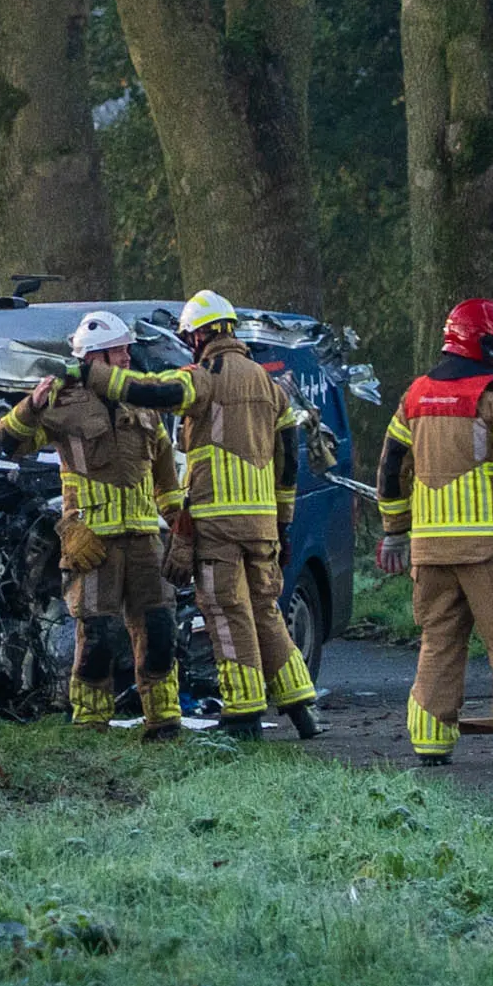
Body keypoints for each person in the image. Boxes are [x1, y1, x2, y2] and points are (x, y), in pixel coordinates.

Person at [77, 289, 322, 741]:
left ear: (203, 335)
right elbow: (289, 460)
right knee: (266, 610)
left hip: (218, 524)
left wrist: (93, 375)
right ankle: (301, 704)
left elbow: (158, 392)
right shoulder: (272, 385)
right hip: (264, 524)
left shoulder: (205, 375)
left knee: (227, 612)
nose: (189, 344)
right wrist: (283, 524)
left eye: (191, 336)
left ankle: (244, 713)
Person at [375, 299, 493, 766]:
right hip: (489, 547)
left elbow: (391, 467)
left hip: (430, 550)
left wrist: (395, 529)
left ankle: (431, 742)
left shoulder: (414, 394)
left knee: (439, 642)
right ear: (485, 342)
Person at [0, 310, 185, 740]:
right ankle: (91, 722)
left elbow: (164, 467)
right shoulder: (62, 401)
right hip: (92, 541)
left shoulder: (141, 398)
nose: (128, 357)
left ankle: (165, 720)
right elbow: (8, 441)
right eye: (120, 351)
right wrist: (33, 403)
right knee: (98, 636)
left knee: (158, 630)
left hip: (143, 539)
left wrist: (178, 528)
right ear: (96, 356)